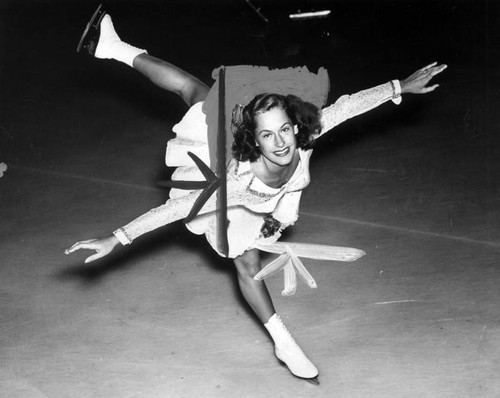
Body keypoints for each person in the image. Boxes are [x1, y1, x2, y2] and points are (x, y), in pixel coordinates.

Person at [66, 6, 447, 383]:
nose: (281, 143)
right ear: (255, 140)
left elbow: (349, 107)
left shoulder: (306, 134)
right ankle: (284, 341)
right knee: (247, 264)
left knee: (196, 90)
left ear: (296, 126)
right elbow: (176, 208)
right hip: (234, 188)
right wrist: (116, 238)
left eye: (285, 130)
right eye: (268, 135)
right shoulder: (239, 181)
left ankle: (113, 48)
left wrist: (400, 86)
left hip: (271, 197)